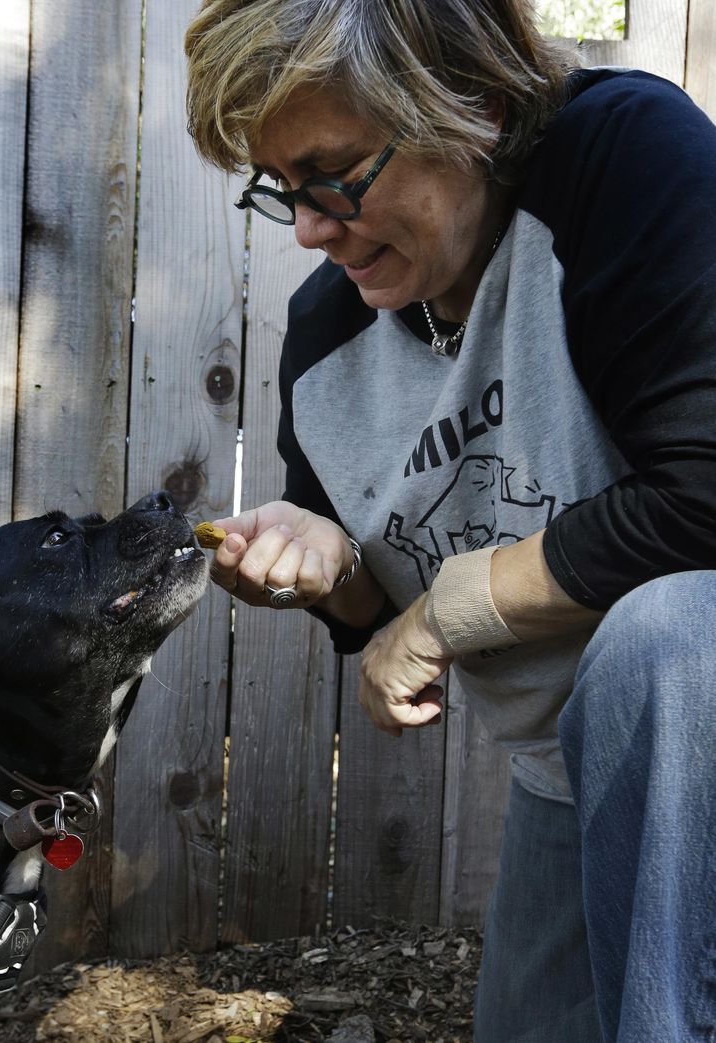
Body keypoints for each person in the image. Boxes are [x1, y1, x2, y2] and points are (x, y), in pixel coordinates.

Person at [184, 2, 716, 1040]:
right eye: (280, 189)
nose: (306, 227)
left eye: (334, 174)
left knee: (666, 635)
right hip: (573, 771)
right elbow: (368, 610)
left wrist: (439, 614)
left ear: (465, 106)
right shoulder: (324, 342)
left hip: (693, 722)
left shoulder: (620, 159)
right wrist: (324, 563)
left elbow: (702, 493)